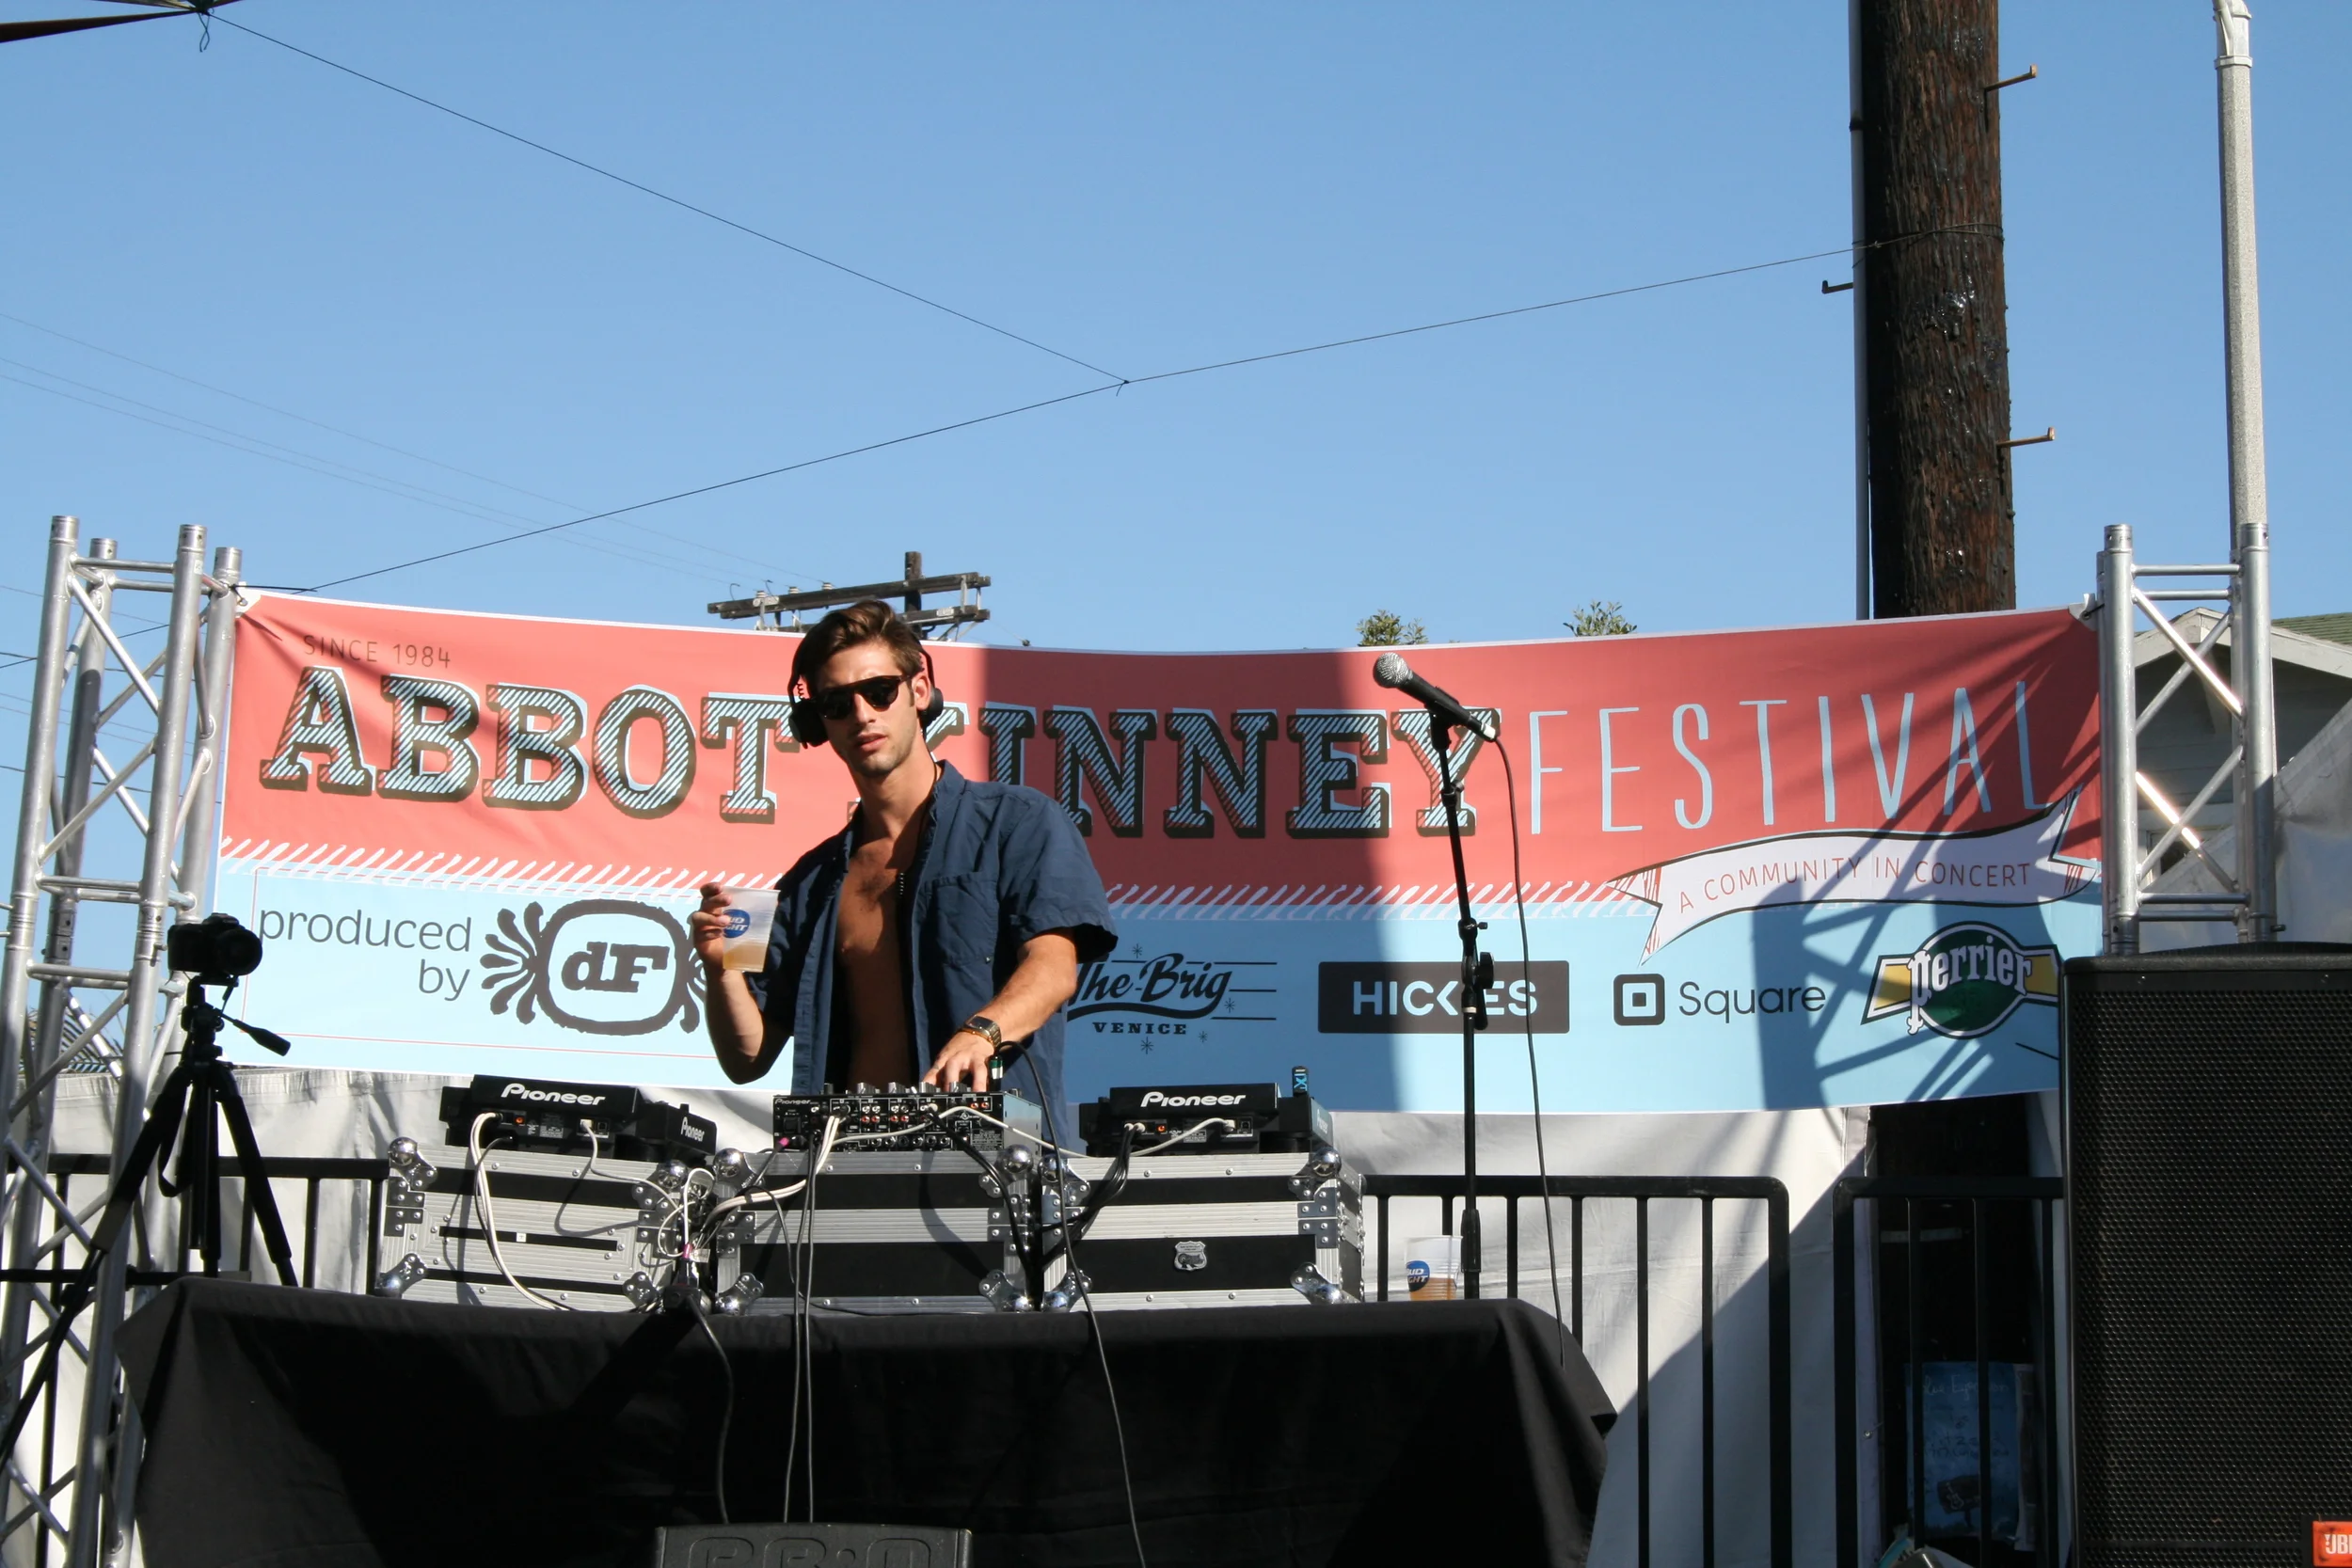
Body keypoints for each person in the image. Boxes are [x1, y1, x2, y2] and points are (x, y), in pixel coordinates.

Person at [690, 600, 1115, 1114]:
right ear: (817, 722)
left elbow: (1053, 970)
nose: (862, 714)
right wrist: (722, 972)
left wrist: (981, 1034)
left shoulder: (1019, 821)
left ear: (918, 690)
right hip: (845, 1165)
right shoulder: (808, 882)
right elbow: (747, 1059)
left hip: (990, 1163)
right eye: (835, 703)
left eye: (878, 691)